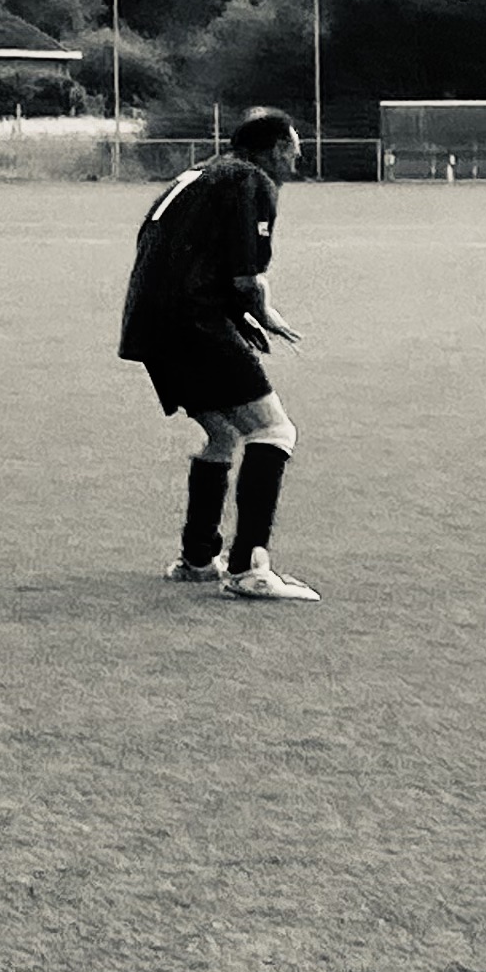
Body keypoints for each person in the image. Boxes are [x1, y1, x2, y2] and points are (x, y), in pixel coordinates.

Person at [121, 106, 317, 602]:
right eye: (293, 147)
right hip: (192, 320)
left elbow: (179, 252)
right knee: (273, 430)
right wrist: (260, 312)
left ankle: (196, 559)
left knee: (223, 433)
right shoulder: (251, 180)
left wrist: (236, 316)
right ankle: (250, 566)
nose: (297, 158)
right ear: (275, 148)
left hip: (150, 324)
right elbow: (246, 277)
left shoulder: (203, 173)